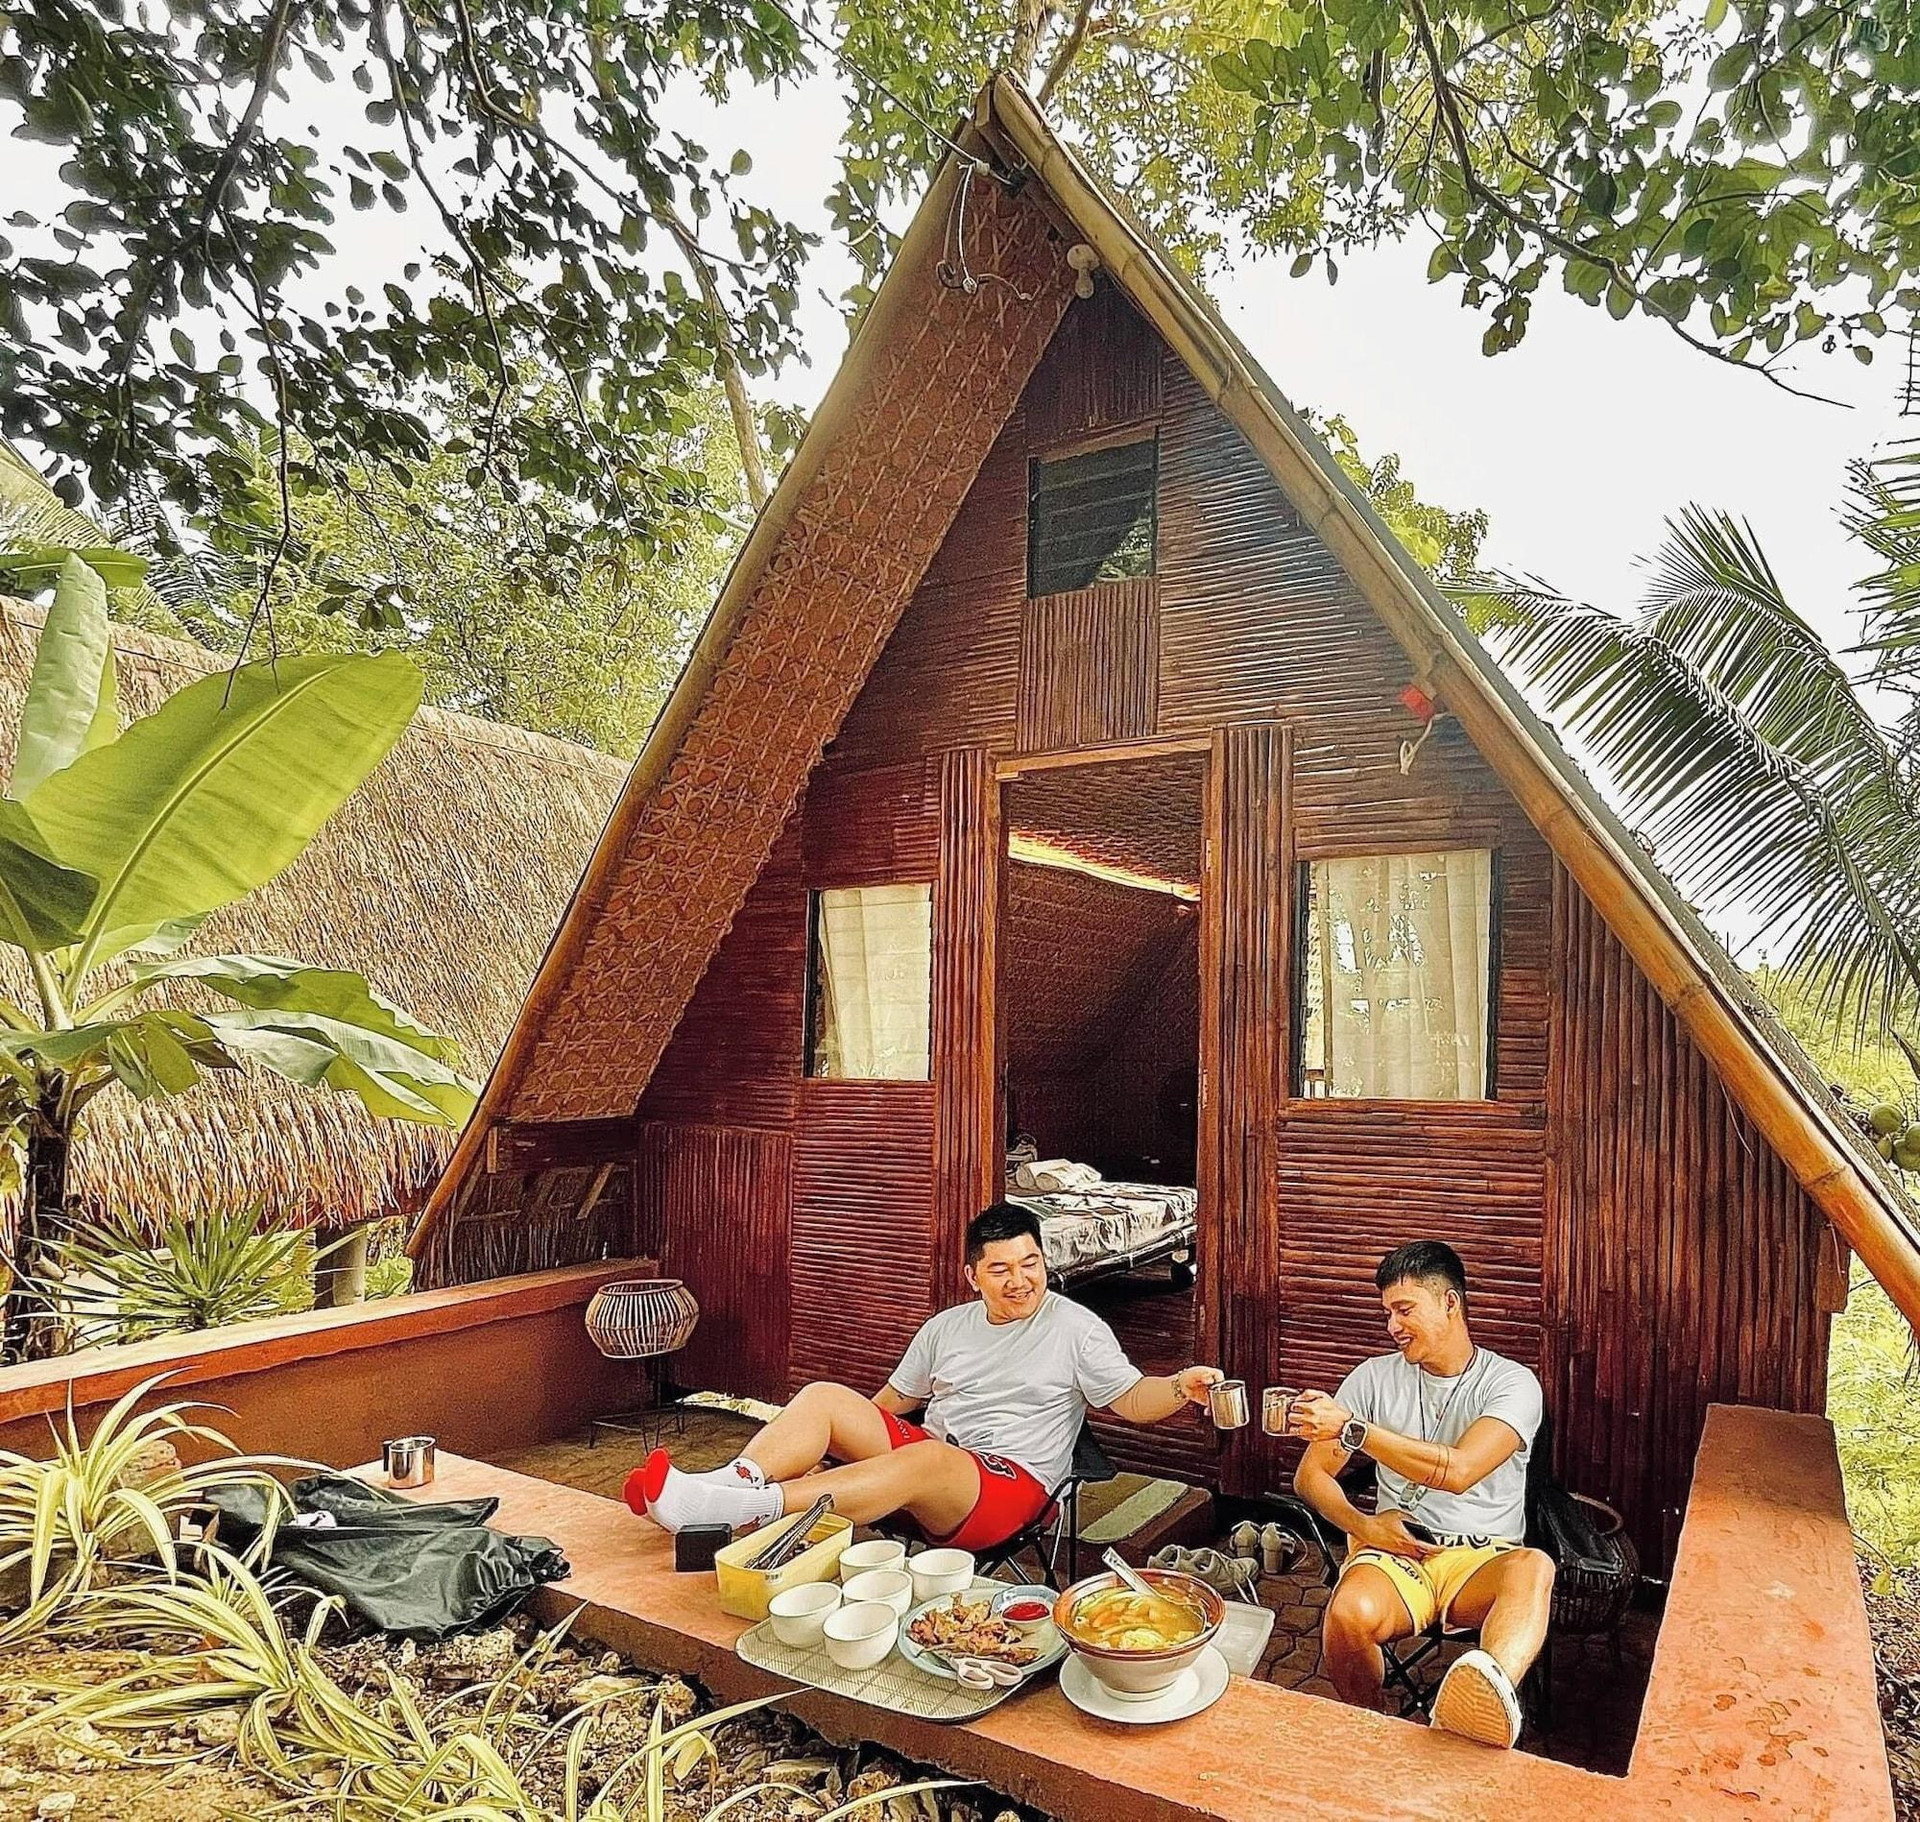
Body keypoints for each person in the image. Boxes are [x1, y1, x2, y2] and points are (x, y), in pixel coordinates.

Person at [629, 1201, 1223, 1551]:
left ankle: (739, 1511)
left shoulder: (1076, 1328)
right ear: (973, 1276)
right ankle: (731, 1484)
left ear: (1045, 1262)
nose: (1020, 1281)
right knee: (825, 1396)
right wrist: (828, 1445)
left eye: (1032, 1264)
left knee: (930, 1459)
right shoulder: (947, 1328)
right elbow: (889, 1406)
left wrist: (1178, 1386)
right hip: (932, 1466)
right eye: (1001, 1270)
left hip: (1014, 1491)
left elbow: (1131, 1399)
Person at [1288, 1239, 1554, 1750]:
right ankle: (1373, 1737)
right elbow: (1310, 1477)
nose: (1392, 1326)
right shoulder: (1373, 1377)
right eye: (1387, 1312)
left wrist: (1357, 1431)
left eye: (1405, 1309)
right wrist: (1364, 1526)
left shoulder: (1512, 1384)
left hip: (1479, 1560)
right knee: (1346, 1614)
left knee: (1534, 1567)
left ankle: (1480, 1708)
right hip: (1397, 1552)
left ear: (1450, 1303)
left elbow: (1460, 1471)